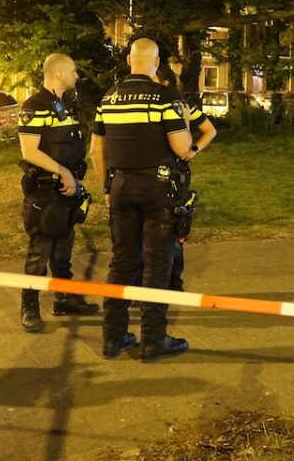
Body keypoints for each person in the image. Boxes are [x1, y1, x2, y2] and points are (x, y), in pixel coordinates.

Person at [90, 38, 196, 361]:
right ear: (157, 61)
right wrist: (188, 128)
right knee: (157, 263)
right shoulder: (164, 96)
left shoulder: (109, 98)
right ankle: (153, 339)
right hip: (157, 190)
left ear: (128, 59)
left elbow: (96, 151)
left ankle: (113, 336)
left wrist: (108, 187)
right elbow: (181, 148)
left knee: (122, 262)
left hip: (120, 186)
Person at [16, 53, 100, 332]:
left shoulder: (62, 106)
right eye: (74, 71)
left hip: (65, 194)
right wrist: (63, 173)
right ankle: (29, 305)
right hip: (45, 193)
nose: (77, 76)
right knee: (40, 252)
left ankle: (64, 298)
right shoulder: (35, 105)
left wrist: (73, 179)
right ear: (60, 74)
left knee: (63, 251)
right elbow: (29, 151)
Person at [155, 63, 216, 291]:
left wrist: (193, 150)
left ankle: (173, 284)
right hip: (155, 173)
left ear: (165, 83)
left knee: (174, 232)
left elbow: (210, 130)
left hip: (175, 174)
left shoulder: (182, 105)